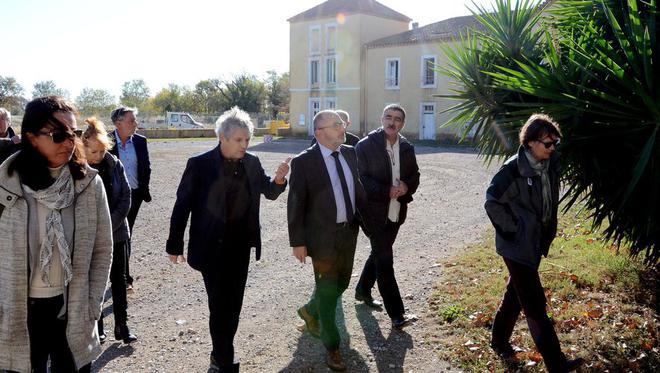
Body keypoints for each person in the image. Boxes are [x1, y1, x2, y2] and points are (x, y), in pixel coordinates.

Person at [166, 106, 290, 373]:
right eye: (239, 140)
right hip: (211, 249)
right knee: (219, 305)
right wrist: (174, 244)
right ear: (222, 137)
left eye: (247, 140)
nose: (245, 145)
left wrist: (279, 180)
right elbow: (182, 205)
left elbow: (268, 190)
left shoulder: (252, 162)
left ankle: (219, 355)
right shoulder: (199, 165)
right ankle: (224, 361)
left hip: (240, 247)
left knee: (233, 306)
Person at [0, 96, 112, 373]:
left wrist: (91, 308)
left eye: (73, 134)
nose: (69, 142)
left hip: (72, 310)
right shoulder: (5, 184)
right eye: (58, 134)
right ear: (31, 137)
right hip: (17, 312)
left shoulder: (88, 183)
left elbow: (102, 249)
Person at [485, 114, 584, 372]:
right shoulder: (512, 170)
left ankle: (498, 341)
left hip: (535, 244)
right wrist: (515, 231)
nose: (552, 148)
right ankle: (556, 363)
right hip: (516, 245)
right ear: (530, 142)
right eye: (547, 143)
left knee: (514, 295)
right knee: (535, 304)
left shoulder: (550, 164)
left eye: (555, 143)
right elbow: (492, 202)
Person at [288, 110, 368, 371]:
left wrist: (369, 223)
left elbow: (355, 188)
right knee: (327, 289)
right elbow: (296, 204)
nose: (342, 128)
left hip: (349, 232)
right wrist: (297, 241)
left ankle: (311, 311)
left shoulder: (350, 152)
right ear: (320, 132)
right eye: (336, 125)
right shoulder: (304, 162)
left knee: (342, 283)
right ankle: (332, 347)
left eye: (342, 123)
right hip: (322, 238)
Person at [354, 104, 420, 328]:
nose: (392, 122)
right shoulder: (365, 146)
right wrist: (386, 190)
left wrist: (406, 186)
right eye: (389, 117)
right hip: (373, 213)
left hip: (396, 211)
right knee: (384, 259)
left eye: (398, 119)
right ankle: (397, 314)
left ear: (403, 123)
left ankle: (363, 290)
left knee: (379, 252)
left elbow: (415, 176)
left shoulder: (407, 148)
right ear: (381, 118)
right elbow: (360, 178)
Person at [82, 117, 137, 344]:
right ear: (83, 148)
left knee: (119, 280)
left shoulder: (115, 164)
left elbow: (126, 197)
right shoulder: (78, 170)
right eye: (94, 151)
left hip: (117, 234)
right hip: (89, 237)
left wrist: (108, 224)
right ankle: (98, 327)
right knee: (94, 283)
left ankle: (122, 327)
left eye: (102, 150)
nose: (99, 156)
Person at [109, 106, 151, 291]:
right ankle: (121, 276)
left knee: (126, 234)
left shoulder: (140, 142)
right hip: (113, 199)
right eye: (131, 121)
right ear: (118, 123)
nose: (136, 124)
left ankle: (124, 276)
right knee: (117, 235)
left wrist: (143, 189)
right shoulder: (106, 142)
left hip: (135, 195)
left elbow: (146, 167)